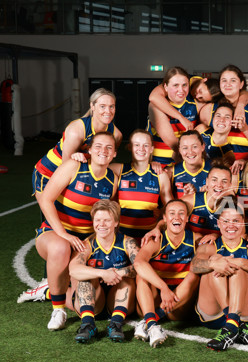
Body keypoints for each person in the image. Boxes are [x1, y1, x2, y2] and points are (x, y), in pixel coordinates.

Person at [35, 132, 118, 331]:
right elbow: (45, 199)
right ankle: (58, 309)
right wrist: (64, 234)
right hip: (55, 233)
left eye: (108, 148)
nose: (103, 151)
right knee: (61, 247)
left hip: (84, 242)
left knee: (88, 307)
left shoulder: (112, 180)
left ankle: (50, 291)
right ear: (88, 149)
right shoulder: (74, 166)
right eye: (98, 146)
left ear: (114, 153)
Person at [190, 199, 248, 351]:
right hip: (214, 313)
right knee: (214, 261)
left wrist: (236, 262)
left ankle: (231, 325)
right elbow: (194, 266)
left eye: (236, 221)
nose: (231, 225)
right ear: (218, 223)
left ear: (243, 223)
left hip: (245, 311)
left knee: (238, 268)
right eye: (226, 221)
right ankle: (235, 324)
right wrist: (213, 263)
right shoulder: (209, 246)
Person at [133, 199, 201, 347]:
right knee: (141, 275)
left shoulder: (195, 239)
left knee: (195, 273)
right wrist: (163, 288)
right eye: (172, 213)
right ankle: (152, 324)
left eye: (181, 213)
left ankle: (149, 322)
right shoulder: (156, 239)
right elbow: (138, 263)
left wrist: (214, 237)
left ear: (187, 218)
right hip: (152, 301)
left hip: (177, 306)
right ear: (164, 219)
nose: (177, 217)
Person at [68, 200, 139, 343]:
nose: (101, 224)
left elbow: (141, 266)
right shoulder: (87, 245)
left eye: (107, 220)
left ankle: (116, 324)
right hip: (93, 303)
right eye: (98, 220)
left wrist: (119, 273)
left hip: (118, 303)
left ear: (116, 223)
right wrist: (103, 273)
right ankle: (88, 324)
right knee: (85, 277)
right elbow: (73, 269)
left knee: (128, 279)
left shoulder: (127, 242)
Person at [33, 89, 122, 202]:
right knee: (52, 214)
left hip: (78, 173)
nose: (108, 111)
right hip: (49, 172)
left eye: (111, 106)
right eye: (103, 106)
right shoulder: (77, 130)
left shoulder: (116, 135)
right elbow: (66, 167)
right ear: (92, 106)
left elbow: (105, 161)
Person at [199, 65, 248, 161]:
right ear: (219, 84)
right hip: (217, 169)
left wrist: (246, 129)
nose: (228, 84)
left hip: (247, 168)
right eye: (224, 80)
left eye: (233, 80)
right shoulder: (208, 110)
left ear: (241, 84)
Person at [113, 130, 173, 240]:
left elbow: (172, 208)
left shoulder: (160, 175)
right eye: (137, 145)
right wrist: (80, 155)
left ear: (151, 149)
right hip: (121, 237)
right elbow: (95, 165)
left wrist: (160, 213)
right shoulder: (118, 170)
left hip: (149, 237)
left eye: (146, 145)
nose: (141, 149)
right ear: (130, 147)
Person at [147, 67, 201, 166]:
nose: (181, 90)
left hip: (187, 160)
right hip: (160, 163)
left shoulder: (195, 103)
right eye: (175, 85)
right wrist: (181, 118)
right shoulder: (156, 105)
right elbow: (173, 143)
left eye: (184, 85)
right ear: (166, 87)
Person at [166, 130, 211, 199]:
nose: (190, 152)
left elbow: (229, 204)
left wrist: (212, 196)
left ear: (203, 147)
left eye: (194, 146)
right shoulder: (171, 172)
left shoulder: (215, 170)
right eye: (185, 148)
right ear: (180, 150)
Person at [197, 101, 236, 166]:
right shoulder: (201, 130)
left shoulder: (228, 155)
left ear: (233, 122)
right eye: (218, 116)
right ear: (213, 118)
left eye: (227, 117)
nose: (221, 120)